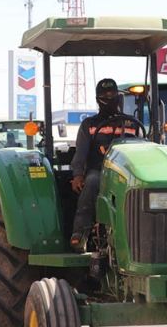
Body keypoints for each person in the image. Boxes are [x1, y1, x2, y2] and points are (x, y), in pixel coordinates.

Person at [69, 78, 135, 252]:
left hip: (127, 173)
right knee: (91, 181)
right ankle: (80, 233)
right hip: (100, 171)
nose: (109, 97)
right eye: (105, 95)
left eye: (112, 94)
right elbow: (81, 153)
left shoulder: (131, 124)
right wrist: (77, 175)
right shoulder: (89, 125)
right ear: (98, 98)